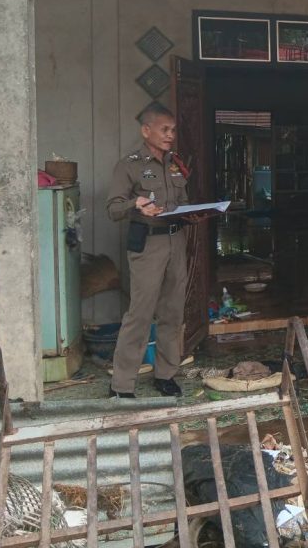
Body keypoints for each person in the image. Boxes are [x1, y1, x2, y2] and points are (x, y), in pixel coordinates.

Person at [106, 102, 192, 399]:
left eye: (173, 130)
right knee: (140, 314)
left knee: (172, 312)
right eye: (164, 129)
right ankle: (121, 384)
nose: (170, 135)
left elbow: (183, 201)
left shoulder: (175, 164)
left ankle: (165, 375)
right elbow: (113, 208)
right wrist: (136, 204)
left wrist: (193, 212)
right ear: (146, 130)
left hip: (175, 241)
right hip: (148, 244)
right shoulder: (129, 165)